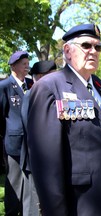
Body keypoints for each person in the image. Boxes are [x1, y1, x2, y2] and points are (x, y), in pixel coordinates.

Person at [27, 23, 101, 215]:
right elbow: (46, 161)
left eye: (98, 47)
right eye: (86, 46)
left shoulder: (99, 86)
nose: (93, 51)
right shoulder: (49, 87)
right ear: (68, 50)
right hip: (78, 202)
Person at [21, 60, 56, 216]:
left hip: (48, 160)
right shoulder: (32, 95)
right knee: (35, 205)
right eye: (52, 75)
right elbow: (33, 130)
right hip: (38, 159)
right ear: (41, 77)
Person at [0, 51, 33, 215]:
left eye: (28, 63)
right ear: (13, 66)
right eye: (24, 64)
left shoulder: (31, 84)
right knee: (14, 181)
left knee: (29, 184)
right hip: (14, 144)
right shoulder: (5, 86)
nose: (27, 67)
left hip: (31, 144)